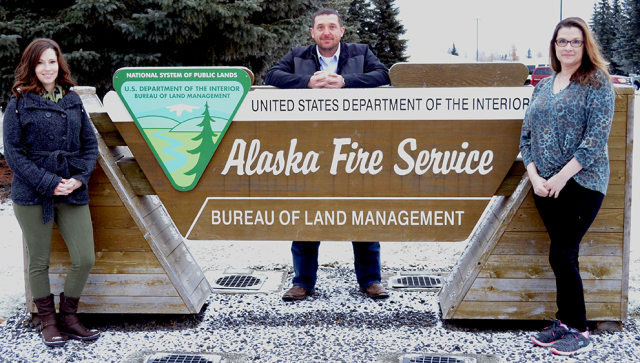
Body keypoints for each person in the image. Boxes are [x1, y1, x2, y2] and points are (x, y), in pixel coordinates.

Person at [264, 8, 391, 301]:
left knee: (362, 211)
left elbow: (383, 74)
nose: (326, 32)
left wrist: (345, 82)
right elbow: (272, 75)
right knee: (306, 212)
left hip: (355, 148)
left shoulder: (361, 52)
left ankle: (371, 280)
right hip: (311, 149)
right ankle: (303, 282)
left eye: (332, 27)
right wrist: (306, 83)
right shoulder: (298, 56)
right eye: (320, 27)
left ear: (341, 31)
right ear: (312, 33)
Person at [520, 17, 615, 356]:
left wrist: (562, 177)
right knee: (564, 256)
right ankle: (564, 322)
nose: (569, 47)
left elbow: (595, 140)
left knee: (561, 253)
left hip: (582, 183)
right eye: (563, 41)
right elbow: (526, 137)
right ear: (554, 45)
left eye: (575, 41)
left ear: (585, 45)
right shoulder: (542, 86)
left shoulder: (596, 83)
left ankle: (578, 329)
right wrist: (535, 177)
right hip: (544, 187)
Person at [4, 38, 100, 347]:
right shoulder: (19, 102)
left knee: (84, 257)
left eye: (52, 61)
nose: (48, 68)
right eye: (41, 62)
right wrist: (48, 182)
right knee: (39, 261)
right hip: (33, 193)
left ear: (60, 65)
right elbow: (14, 154)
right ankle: (48, 321)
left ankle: (69, 317)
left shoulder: (72, 99)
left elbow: (90, 145)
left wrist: (79, 178)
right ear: (31, 66)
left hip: (71, 189)